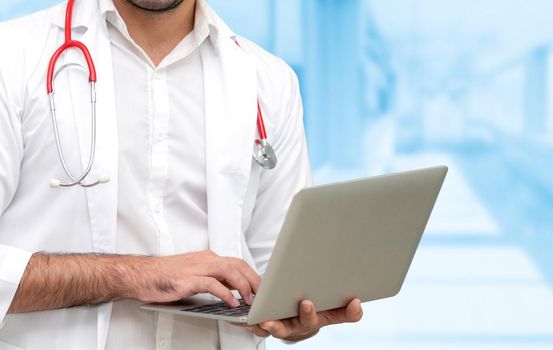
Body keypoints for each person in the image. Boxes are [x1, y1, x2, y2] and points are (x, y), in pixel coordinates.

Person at [0, 0, 363, 348]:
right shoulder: (13, 57)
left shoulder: (268, 80)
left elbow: (277, 279)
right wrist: (136, 274)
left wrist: (296, 318)